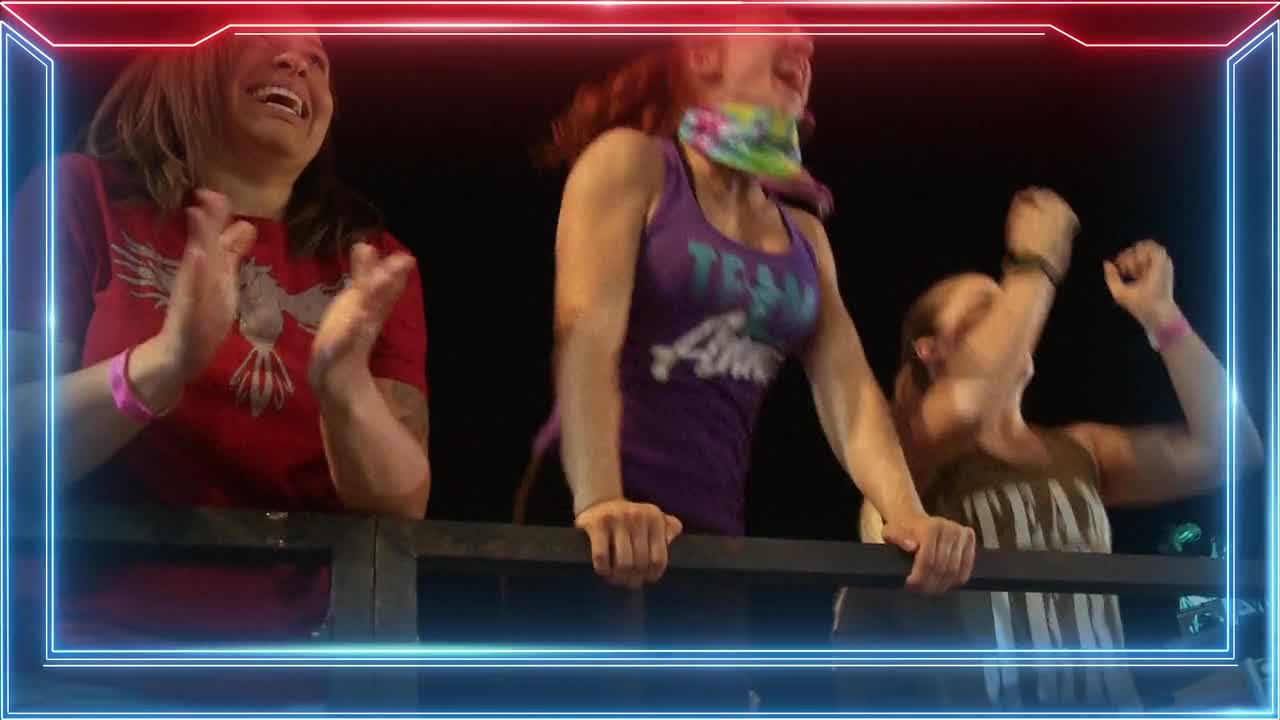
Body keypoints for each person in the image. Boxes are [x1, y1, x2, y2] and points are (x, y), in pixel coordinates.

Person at [9, 31, 429, 664]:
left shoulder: (372, 261)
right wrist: (166, 361)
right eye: (263, 36)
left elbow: (403, 501)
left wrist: (344, 390)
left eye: (318, 61)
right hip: (87, 653)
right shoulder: (80, 194)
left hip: (303, 669)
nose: (296, 62)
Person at [515, 18, 975, 596]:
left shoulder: (804, 236)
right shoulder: (633, 163)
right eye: (777, 22)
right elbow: (586, 333)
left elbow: (851, 391)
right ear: (705, 53)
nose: (806, 43)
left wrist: (906, 514)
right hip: (593, 516)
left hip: (712, 534)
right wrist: (601, 500)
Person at [847, 189, 1265, 709]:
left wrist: (1162, 316)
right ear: (930, 352)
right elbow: (970, 402)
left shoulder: (1078, 450)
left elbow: (1232, 449)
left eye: (1013, 311)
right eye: (988, 313)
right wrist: (1033, 264)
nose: (1018, 321)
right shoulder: (909, 449)